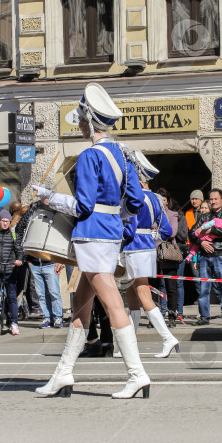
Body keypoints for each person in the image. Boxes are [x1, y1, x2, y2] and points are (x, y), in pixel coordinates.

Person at [32, 82, 150, 399]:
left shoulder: (88, 156)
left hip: (92, 235)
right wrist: (114, 216)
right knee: (80, 307)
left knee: (112, 304)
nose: (79, 124)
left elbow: (82, 206)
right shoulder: (123, 156)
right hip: (109, 234)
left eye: (80, 118)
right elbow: (135, 202)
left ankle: (137, 374)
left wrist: (48, 197)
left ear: (88, 120)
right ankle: (63, 373)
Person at [121, 154, 179, 356]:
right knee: (132, 294)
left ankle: (167, 338)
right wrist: (149, 235)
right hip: (146, 247)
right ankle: (130, 344)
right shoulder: (156, 198)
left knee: (143, 294)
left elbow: (129, 227)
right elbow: (165, 231)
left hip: (133, 247)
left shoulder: (133, 197)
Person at [189, 188, 222, 326]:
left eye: (216, 199)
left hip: (220, 256)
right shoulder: (204, 217)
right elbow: (191, 233)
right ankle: (204, 317)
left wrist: (212, 230)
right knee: (204, 288)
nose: (214, 202)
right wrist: (201, 242)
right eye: (212, 199)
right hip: (204, 256)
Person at [155, 187, 182, 328]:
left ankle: (172, 316)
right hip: (153, 254)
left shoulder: (172, 214)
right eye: (159, 199)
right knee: (153, 287)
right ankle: (154, 318)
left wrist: (156, 230)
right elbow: (147, 227)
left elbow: (172, 232)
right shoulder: (151, 213)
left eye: (163, 199)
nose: (161, 202)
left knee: (171, 287)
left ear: (167, 201)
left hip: (168, 253)